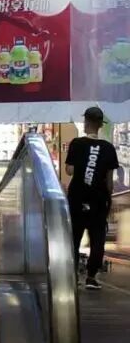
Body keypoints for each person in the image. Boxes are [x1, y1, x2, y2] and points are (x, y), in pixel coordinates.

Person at [65, 106, 120, 290]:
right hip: (98, 200)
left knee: (74, 237)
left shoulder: (76, 143)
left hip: (77, 198)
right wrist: (108, 201)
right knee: (97, 239)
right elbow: (109, 181)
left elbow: (69, 170)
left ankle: (72, 275)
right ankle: (91, 277)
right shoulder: (108, 148)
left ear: (86, 122)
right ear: (100, 125)